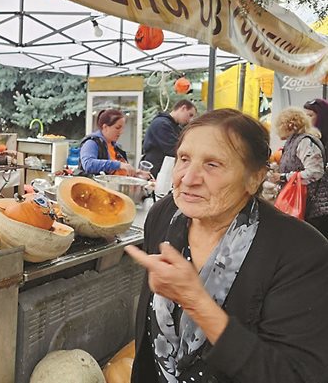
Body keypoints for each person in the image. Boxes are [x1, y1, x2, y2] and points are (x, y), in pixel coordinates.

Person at [125, 108, 328, 383]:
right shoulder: (164, 216)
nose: (187, 178)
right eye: (184, 158)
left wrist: (197, 303)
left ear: (254, 177)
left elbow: (296, 375)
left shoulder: (300, 252)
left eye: (212, 165)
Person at [269, 107, 328, 237]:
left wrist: (284, 177)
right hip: (307, 205)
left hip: (313, 208)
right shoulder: (294, 142)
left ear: (289, 125)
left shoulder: (304, 142)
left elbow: (315, 172)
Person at [141, 100, 197, 177]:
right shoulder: (161, 124)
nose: (190, 120)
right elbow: (174, 148)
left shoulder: (175, 127)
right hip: (155, 169)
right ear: (183, 108)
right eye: (190, 115)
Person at [78, 109, 136, 176]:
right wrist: (118, 164)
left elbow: (121, 170)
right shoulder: (91, 143)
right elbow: (88, 164)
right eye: (117, 128)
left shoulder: (116, 147)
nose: (121, 132)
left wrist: (135, 173)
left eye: (122, 128)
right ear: (105, 127)